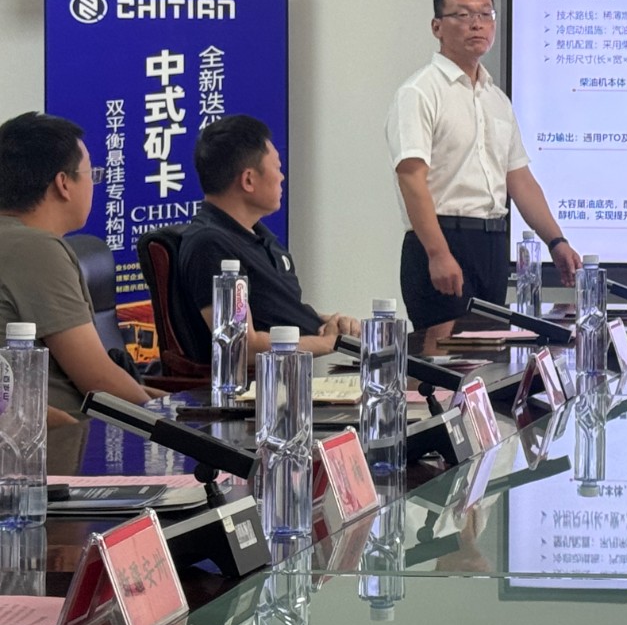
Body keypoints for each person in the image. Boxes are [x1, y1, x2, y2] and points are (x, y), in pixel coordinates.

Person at [386, 0, 581, 353]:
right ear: (437, 27)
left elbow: (519, 179)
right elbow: (411, 178)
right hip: (441, 239)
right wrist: (438, 253)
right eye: (462, 15)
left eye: (485, 15)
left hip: (491, 245)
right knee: (446, 363)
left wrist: (556, 241)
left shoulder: (496, 99)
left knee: (488, 361)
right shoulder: (419, 92)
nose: (476, 24)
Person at [0, 112, 159, 419]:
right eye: (91, 174)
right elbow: (99, 381)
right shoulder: (36, 250)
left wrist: (174, 406)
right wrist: (172, 429)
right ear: (63, 183)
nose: (94, 184)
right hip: (59, 441)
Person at [176, 115, 358, 356]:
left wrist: (332, 323)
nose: (282, 177)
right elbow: (241, 344)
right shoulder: (211, 245)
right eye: (277, 168)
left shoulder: (258, 235)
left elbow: (278, 314)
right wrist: (331, 342)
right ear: (249, 180)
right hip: (266, 376)